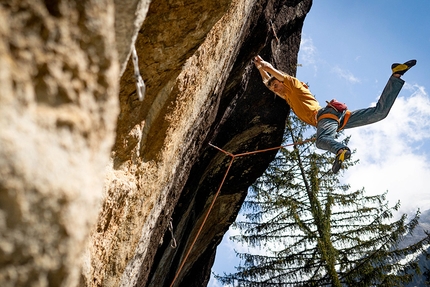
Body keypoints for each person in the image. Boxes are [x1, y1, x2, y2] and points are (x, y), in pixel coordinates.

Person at [253, 55, 416, 173]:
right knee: (379, 113)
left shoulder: (295, 86)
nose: (275, 89)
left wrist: (266, 66)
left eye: (276, 85)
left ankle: (341, 150)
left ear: (282, 82)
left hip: (325, 116)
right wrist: (261, 70)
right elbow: (267, 84)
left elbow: (279, 74)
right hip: (338, 119)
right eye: (274, 88)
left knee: (322, 140)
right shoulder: (289, 96)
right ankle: (396, 75)